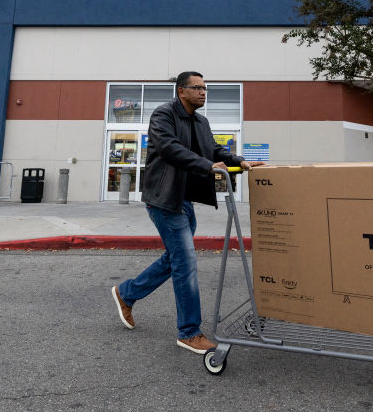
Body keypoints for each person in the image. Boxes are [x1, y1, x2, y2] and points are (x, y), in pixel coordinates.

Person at [111, 71, 264, 354]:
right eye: (198, 88)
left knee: (175, 258)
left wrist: (239, 161)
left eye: (205, 88)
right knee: (185, 262)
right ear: (182, 91)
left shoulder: (200, 121)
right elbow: (170, 149)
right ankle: (189, 332)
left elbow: (214, 149)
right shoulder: (163, 115)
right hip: (164, 199)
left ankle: (127, 292)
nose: (204, 92)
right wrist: (206, 166)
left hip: (184, 200)